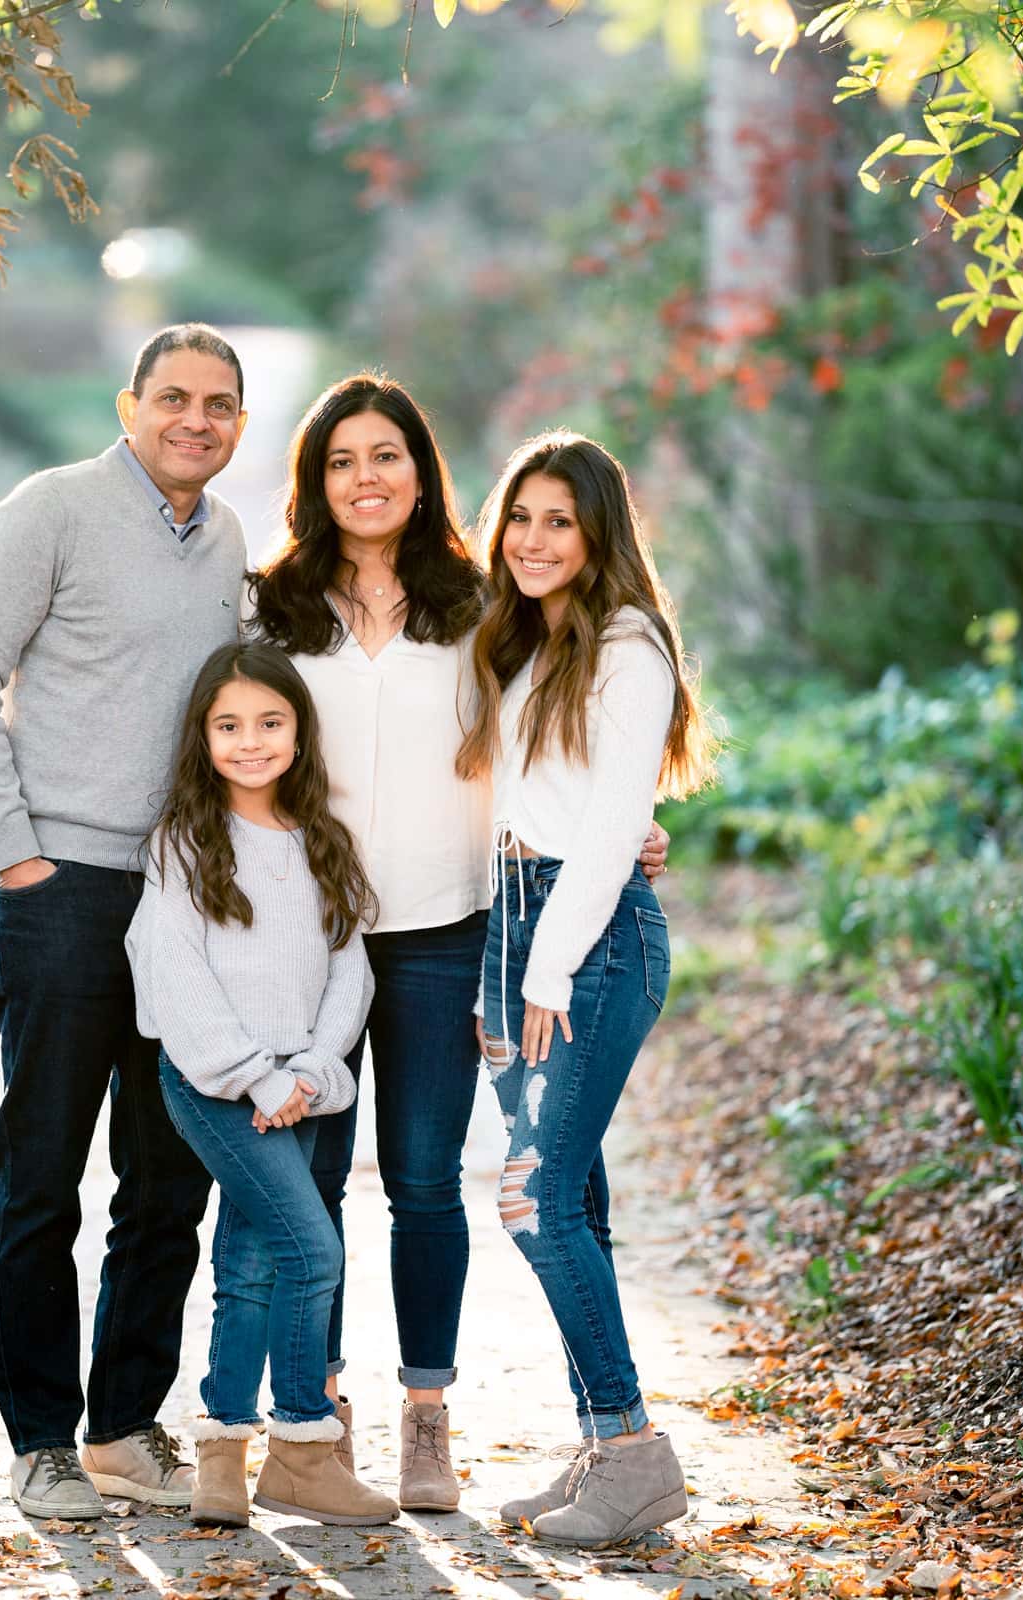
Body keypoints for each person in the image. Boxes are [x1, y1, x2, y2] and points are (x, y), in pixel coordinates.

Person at [244, 375, 669, 1511]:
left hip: (448, 934)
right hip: (314, 934)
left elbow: (567, 735)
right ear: (315, 480)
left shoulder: (482, 600)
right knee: (312, 1181)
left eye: (388, 455)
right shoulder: (272, 608)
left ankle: (425, 1419)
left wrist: (622, 829)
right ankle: (313, 1418)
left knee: (427, 1182)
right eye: (342, 460)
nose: (366, 477)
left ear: (423, 473)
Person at [0, 324, 250, 1519]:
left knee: (168, 1182)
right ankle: (41, 1441)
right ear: (129, 406)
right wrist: (18, 854)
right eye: (173, 398)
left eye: (219, 404)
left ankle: (122, 1425)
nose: (195, 420)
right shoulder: (49, 510)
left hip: (185, 902)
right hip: (61, 892)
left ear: (239, 426)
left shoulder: (227, 542)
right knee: (44, 1177)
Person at [456, 431, 716, 1547]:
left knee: (532, 1196)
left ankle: (634, 1452)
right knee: (576, 1203)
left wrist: (547, 968)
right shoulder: (526, 640)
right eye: (520, 516)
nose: (532, 539)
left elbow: (612, 827)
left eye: (559, 520)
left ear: (600, 530)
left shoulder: (627, 644)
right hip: (516, 929)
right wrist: (503, 964)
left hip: (588, 942)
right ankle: (602, 1441)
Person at [127, 642, 394, 1529]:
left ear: (298, 731)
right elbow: (174, 977)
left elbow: (349, 968)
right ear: (203, 738)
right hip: (216, 1087)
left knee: (249, 1264)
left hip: (303, 1089)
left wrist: (312, 1072)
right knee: (313, 1252)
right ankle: (304, 1446)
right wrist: (253, 1077)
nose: (251, 742)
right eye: (229, 726)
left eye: (270, 723)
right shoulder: (183, 846)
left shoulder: (323, 840)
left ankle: (222, 1459)